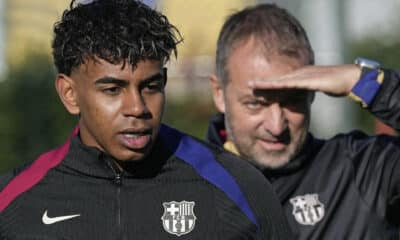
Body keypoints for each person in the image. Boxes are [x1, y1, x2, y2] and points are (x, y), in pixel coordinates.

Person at [0, 1, 293, 239]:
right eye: (113, 89)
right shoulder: (13, 202)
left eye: (150, 86)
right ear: (70, 94)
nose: (137, 108)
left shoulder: (238, 186)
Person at [206, 3, 400, 240]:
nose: (276, 126)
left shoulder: (364, 171)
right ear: (219, 93)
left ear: (313, 91)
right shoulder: (182, 186)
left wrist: (369, 84)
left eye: (293, 101)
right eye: (255, 104)